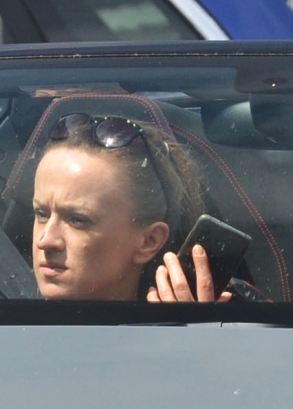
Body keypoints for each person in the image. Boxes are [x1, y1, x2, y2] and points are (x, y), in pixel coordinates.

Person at [26, 113, 242, 303]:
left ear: (149, 241)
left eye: (77, 220)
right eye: (41, 214)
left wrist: (191, 342)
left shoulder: (205, 340)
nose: (44, 241)